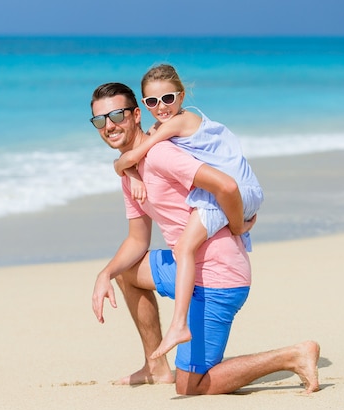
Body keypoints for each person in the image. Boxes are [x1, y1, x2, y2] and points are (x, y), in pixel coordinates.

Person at [89, 82, 320, 395]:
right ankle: (155, 367)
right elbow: (137, 241)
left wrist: (238, 225)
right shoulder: (131, 173)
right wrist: (105, 274)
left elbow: (225, 184)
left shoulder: (160, 156)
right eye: (100, 120)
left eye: (117, 115)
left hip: (218, 276)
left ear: (136, 115)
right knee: (127, 272)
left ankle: (292, 356)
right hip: (187, 269)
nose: (109, 126)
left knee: (191, 387)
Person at [113, 64, 264, 360]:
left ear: (181, 97)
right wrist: (131, 175)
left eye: (168, 98)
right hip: (228, 189)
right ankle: (156, 365)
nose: (161, 107)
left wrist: (236, 227)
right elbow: (128, 161)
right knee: (138, 267)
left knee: (183, 247)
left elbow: (132, 155)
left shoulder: (180, 122)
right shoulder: (161, 128)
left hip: (238, 189)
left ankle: (179, 324)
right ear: (143, 106)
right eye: (152, 101)